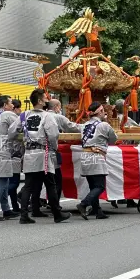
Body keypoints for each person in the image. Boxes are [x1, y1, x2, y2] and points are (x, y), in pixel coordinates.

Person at [16, 89, 71, 224]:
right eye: (45, 98)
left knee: (29, 185)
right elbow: (53, 135)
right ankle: (57, 213)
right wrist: (55, 147)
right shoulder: (47, 116)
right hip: (43, 153)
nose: (47, 100)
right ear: (40, 101)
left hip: (29, 152)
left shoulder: (24, 115)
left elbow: (13, 130)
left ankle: (24, 215)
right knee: (50, 184)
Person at [76, 102, 118, 220]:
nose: (104, 112)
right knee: (99, 186)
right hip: (96, 156)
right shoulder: (104, 125)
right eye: (103, 110)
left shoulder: (84, 125)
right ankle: (83, 204)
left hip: (85, 156)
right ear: (99, 112)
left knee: (92, 186)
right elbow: (113, 139)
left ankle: (97, 211)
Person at [46, 99, 83, 204]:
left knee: (38, 180)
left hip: (37, 151)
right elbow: (72, 127)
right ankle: (54, 205)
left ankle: (32, 202)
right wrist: (90, 126)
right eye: (60, 106)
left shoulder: (42, 115)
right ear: (57, 107)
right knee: (56, 180)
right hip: (51, 151)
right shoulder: (58, 117)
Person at [8, 98, 24, 212]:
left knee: (11, 180)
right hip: (15, 153)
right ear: (16, 108)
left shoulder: (0, 116)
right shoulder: (15, 118)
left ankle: (15, 206)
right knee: (15, 181)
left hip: (7, 153)